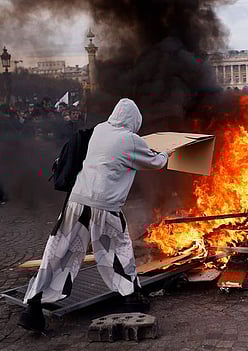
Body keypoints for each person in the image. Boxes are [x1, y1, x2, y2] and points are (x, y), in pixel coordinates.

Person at [18, 98, 174, 332]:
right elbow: (155, 162)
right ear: (133, 120)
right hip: (105, 205)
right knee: (117, 251)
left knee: (58, 252)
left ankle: (33, 305)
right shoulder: (131, 140)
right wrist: (167, 153)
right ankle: (130, 296)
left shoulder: (99, 130)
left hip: (76, 201)